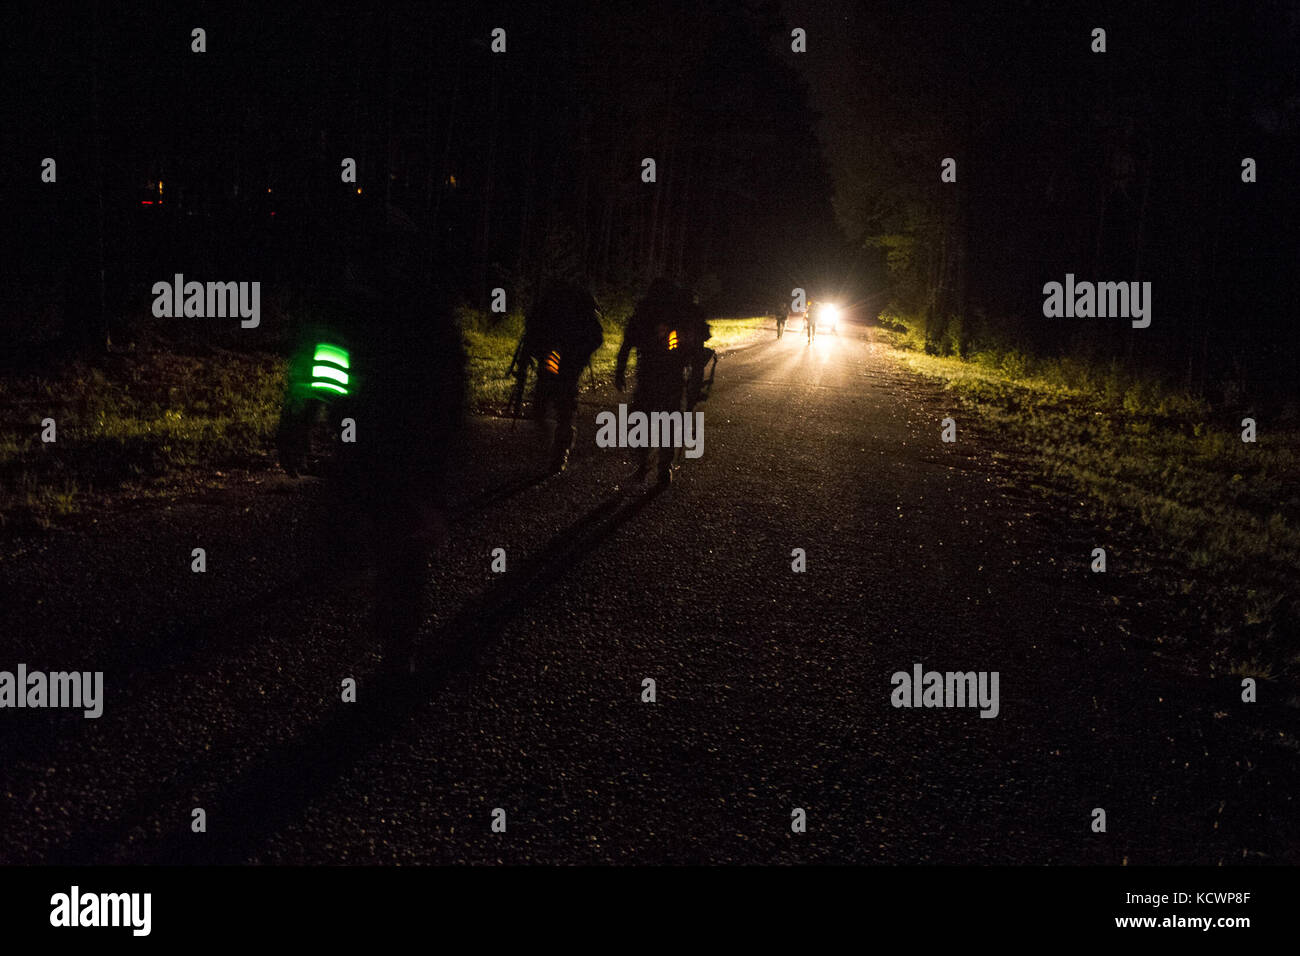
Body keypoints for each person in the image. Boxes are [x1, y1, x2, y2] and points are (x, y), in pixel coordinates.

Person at [514, 280, 604, 473]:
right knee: (551, 407)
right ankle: (556, 446)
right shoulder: (560, 307)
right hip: (558, 361)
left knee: (558, 407)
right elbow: (597, 338)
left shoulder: (550, 305)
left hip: (561, 363)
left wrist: (527, 358)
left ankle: (559, 449)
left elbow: (530, 334)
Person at [614, 278, 692, 486]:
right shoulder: (679, 313)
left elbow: (627, 344)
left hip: (649, 374)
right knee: (666, 419)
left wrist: (620, 371)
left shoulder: (645, 311)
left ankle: (645, 465)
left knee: (643, 419)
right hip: (671, 377)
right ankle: (663, 468)